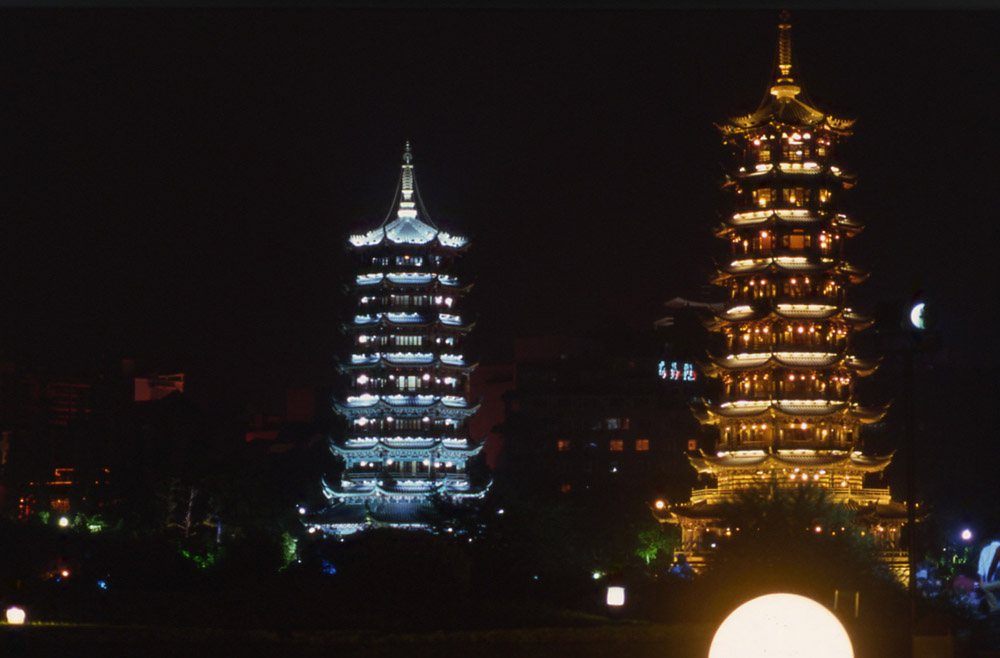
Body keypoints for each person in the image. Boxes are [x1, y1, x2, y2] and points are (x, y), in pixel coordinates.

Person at [977, 540, 1000, 614]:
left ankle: (995, 610)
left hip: (992, 580)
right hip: (995, 580)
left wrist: (984, 581)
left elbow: (984, 567)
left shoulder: (985, 549)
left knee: (986, 588)